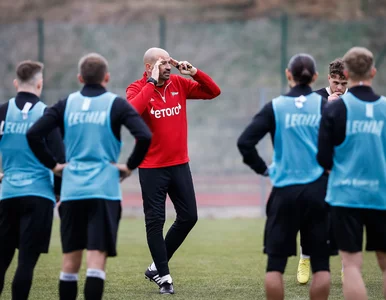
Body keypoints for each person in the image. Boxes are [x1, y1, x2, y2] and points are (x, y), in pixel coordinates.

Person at [26, 53, 152, 300]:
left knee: (70, 263)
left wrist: (53, 165)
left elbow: (33, 134)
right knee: (96, 262)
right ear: (107, 77)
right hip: (104, 191)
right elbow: (145, 135)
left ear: (80, 78)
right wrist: (129, 166)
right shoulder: (115, 104)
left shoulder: (65, 104)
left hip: (72, 192)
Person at [126, 47, 221, 294]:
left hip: (179, 164)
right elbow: (133, 112)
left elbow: (213, 92)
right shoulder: (137, 88)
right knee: (155, 222)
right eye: (163, 63)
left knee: (189, 217)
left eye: (170, 62)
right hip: (151, 169)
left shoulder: (179, 83)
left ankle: (156, 267)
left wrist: (195, 72)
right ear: (149, 67)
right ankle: (165, 277)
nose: (169, 67)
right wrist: (150, 82)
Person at [237, 54, 332, 300]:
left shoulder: (275, 107)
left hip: (284, 193)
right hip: (318, 192)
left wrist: (264, 169)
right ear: (315, 78)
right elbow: (341, 145)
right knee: (321, 266)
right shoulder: (325, 106)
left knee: (275, 266)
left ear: (288, 75)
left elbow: (245, 142)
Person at [318, 46, 386, 300]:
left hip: (345, 195)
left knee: (352, 265)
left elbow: (323, 158)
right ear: (373, 72)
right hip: (380, 194)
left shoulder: (334, 108)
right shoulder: (385, 108)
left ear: (346, 72)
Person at [0, 60, 65, 300]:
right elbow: (59, 158)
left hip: (7, 196)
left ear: (16, 83)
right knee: (26, 264)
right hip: (40, 195)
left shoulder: (3, 111)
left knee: (2, 261)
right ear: (40, 83)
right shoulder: (48, 115)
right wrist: (58, 191)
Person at [297, 57, 348, 284]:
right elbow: (305, 130)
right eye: (336, 82)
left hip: (344, 169)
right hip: (316, 170)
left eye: (344, 84)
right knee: (311, 217)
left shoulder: (353, 101)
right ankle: (305, 258)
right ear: (329, 78)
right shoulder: (314, 99)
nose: (340, 87)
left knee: (344, 219)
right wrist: (328, 107)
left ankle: (347, 266)